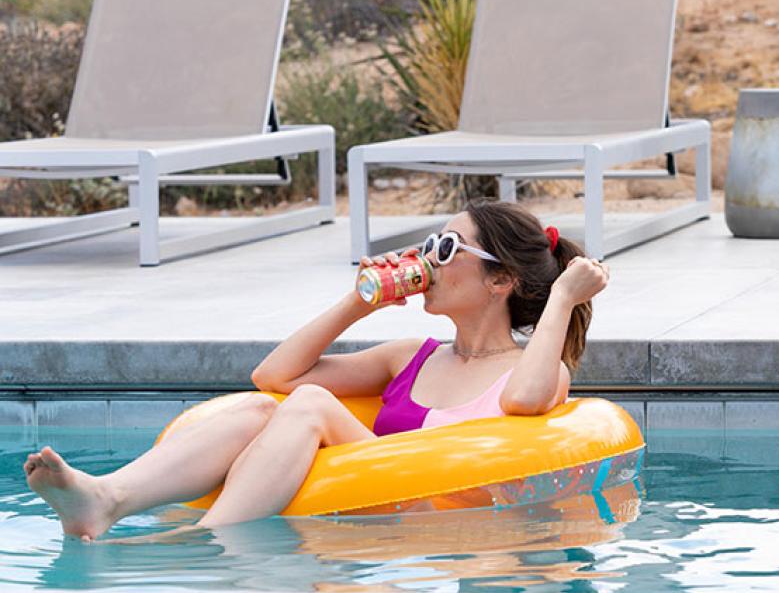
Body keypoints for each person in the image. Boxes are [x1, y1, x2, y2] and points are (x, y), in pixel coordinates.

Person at [24, 202, 608, 541]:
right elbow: (273, 376)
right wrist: (361, 301)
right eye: (430, 243)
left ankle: (200, 542)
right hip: (367, 501)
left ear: (501, 280)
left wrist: (560, 298)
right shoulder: (411, 356)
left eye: (447, 248)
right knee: (262, 409)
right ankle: (108, 497)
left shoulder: (534, 370)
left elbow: (528, 404)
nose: (428, 258)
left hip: (438, 520)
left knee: (309, 407)